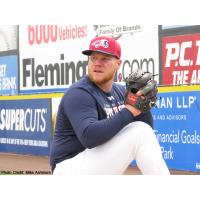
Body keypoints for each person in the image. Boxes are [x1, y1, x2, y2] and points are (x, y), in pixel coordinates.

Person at [50, 36, 170, 175]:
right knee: (140, 132)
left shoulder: (120, 91)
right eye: (93, 58)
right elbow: (89, 137)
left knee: (142, 131)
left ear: (118, 63)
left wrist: (142, 107)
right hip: (68, 168)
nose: (97, 63)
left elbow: (145, 129)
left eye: (105, 58)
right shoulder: (79, 93)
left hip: (93, 162)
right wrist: (130, 110)